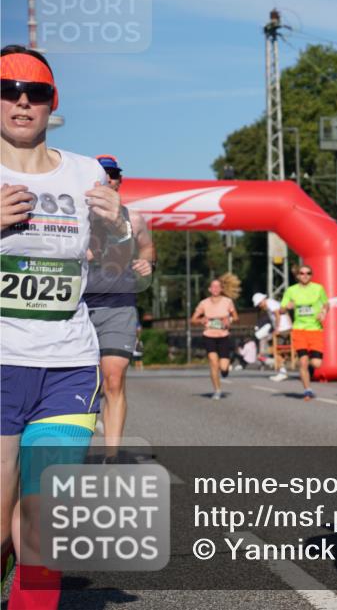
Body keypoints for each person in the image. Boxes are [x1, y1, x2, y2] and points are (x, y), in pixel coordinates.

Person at [1, 44, 131, 610]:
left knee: (42, 524)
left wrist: (122, 226)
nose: (22, 101)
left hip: (67, 363)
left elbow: (121, 255)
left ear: (54, 102)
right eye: (9, 90)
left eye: (35, 92)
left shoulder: (85, 172)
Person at [82, 154, 156, 459]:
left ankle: (110, 457)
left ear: (119, 180)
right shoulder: (75, 215)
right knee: (86, 384)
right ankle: (77, 449)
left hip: (118, 305)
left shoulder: (134, 218)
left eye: (113, 174)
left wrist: (148, 261)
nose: (109, 179)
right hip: (78, 307)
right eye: (103, 174)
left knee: (113, 378)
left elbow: (148, 246)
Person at [279, 265, 329, 400]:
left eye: (308, 273)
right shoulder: (291, 290)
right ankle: (307, 390)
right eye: (302, 273)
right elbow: (281, 309)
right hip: (299, 330)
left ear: (311, 275)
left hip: (315, 329)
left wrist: (323, 312)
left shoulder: (318, 288)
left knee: (316, 363)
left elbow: (326, 304)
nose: (305, 275)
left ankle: (310, 371)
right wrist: (286, 307)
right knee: (303, 362)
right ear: (298, 276)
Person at [190, 278, 238, 400]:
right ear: (210, 289)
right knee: (213, 363)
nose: (215, 289)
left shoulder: (228, 302)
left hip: (223, 336)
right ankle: (217, 390)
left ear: (221, 289)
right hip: (209, 335)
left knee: (223, 367)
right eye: (213, 287)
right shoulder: (204, 303)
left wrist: (229, 320)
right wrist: (201, 320)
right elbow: (193, 319)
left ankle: (225, 370)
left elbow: (236, 317)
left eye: (218, 287)